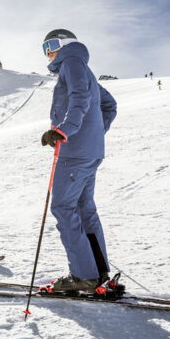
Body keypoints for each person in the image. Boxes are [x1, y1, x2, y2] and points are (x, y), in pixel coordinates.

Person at [40, 28, 117, 292]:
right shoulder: (84, 69)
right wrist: (93, 133)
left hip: (73, 153)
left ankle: (84, 276)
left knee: (63, 207)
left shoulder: (71, 62)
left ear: (64, 43)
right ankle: (98, 270)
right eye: (44, 48)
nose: (48, 53)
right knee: (84, 208)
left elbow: (80, 98)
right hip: (89, 152)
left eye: (50, 45)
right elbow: (109, 104)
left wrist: (66, 130)